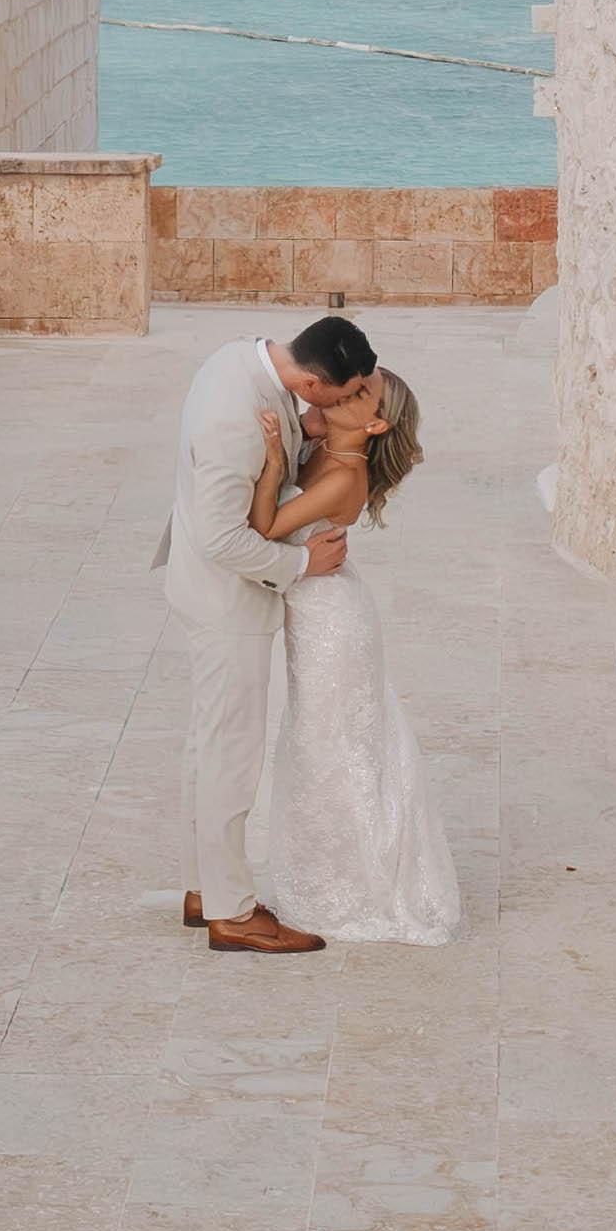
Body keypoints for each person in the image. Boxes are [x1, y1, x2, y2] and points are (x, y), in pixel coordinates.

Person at [154, 316, 373, 952]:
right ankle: (232, 913)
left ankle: (205, 887)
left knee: (210, 744)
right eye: (343, 394)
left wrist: (303, 436)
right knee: (231, 754)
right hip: (226, 602)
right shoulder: (235, 415)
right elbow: (223, 538)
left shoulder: (240, 358)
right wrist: (301, 564)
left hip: (207, 590)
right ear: (312, 383)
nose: (343, 404)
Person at [241, 366, 457, 944]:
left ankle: (351, 887)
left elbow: (265, 526)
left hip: (332, 622)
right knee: (316, 743)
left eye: (360, 394)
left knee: (332, 746)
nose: (343, 392)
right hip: (313, 607)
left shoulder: (343, 475)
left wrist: (272, 462)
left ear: (376, 424)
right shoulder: (319, 447)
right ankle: (323, 873)